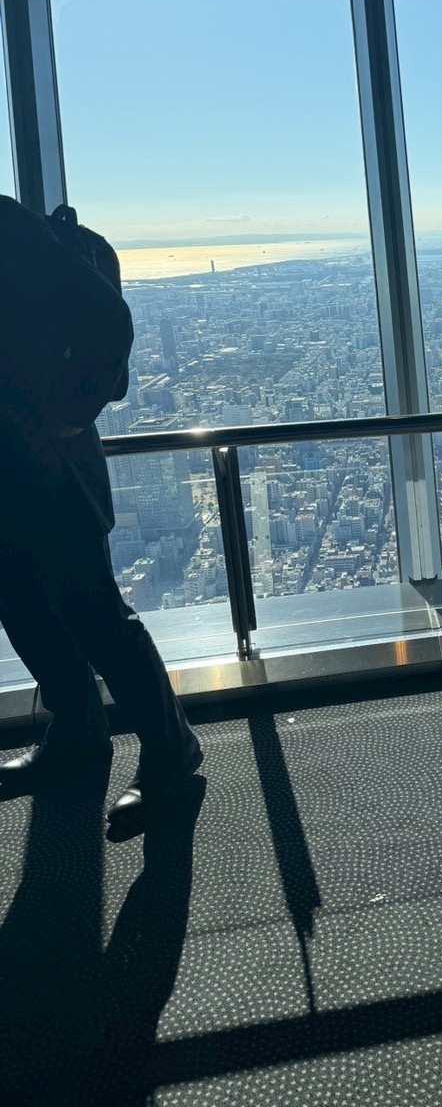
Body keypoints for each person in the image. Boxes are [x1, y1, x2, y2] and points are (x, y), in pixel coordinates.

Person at [0, 195, 202, 822]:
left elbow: (106, 317)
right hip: (12, 459)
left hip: (48, 461)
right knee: (22, 605)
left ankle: (169, 744)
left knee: (91, 609)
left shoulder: (8, 228)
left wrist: (69, 412)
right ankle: (78, 731)